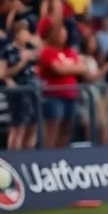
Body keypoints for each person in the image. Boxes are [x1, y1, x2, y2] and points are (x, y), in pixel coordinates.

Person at [36, 17, 88, 148]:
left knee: (67, 129)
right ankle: (48, 157)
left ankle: (61, 156)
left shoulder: (69, 51)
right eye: (59, 32)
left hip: (70, 94)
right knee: (52, 129)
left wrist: (68, 68)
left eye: (64, 32)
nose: (63, 35)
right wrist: (72, 68)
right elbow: (58, 69)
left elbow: (83, 67)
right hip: (53, 96)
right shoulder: (48, 51)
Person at [0, 19, 39, 150]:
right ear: (17, 34)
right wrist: (22, 63)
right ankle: (14, 156)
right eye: (25, 32)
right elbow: (1, 73)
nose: (27, 36)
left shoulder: (31, 50)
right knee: (18, 127)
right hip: (17, 92)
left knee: (33, 125)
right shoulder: (7, 50)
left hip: (33, 90)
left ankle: (29, 154)